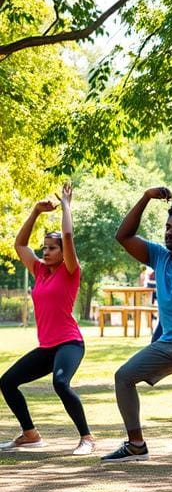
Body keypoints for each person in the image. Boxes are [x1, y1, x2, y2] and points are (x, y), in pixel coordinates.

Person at [102, 184, 172, 462]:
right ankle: (136, 445)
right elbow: (124, 235)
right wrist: (145, 198)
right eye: (167, 227)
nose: (169, 232)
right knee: (123, 377)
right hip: (167, 341)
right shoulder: (159, 256)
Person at [1, 184, 94, 455]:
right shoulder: (39, 271)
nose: (46, 251)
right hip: (46, 347)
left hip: (69, 343)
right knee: (6, 382)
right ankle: (30, 434)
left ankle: (86, 438)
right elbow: (19, 244)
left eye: (53, 248)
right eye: (45, 247)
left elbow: (67, 234)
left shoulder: (70, 271)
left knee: (61, 383)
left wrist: (66, 205)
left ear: (63, 252)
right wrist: (35, 213)